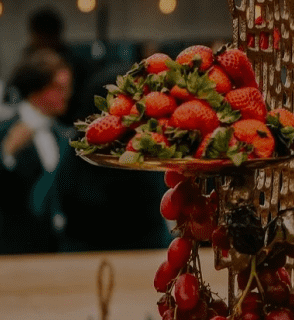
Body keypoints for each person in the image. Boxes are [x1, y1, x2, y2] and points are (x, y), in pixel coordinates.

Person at [53, 61, 170, 252]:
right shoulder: (144, 144)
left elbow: (64, 200)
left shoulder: (79, 148)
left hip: (83, 253)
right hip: (144, 251)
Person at [0, 49, 74, 254]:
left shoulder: (65, 135)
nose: (67, 94)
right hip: (13, 248)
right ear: (36, 89)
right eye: (58, 88)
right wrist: (6, 154)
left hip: (58, 247)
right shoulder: (4, 130)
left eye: (68, 87)